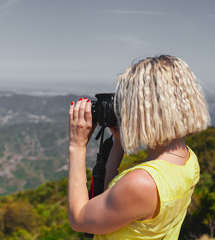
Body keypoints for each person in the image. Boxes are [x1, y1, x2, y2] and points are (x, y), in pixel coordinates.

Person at [67, 55, 210, 240]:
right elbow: (111, 195)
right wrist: (119, 143)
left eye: (127, 103)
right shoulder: (189, 160)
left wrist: (76, 146)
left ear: (146, 109)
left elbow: (80, 219)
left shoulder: (141, 182)